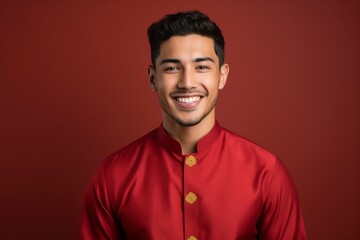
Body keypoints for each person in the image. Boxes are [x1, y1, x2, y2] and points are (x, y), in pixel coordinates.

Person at [80, 10, 307, 240]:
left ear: (222, 76)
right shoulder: (113, 176)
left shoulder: (267, 173)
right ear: (152, 78)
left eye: (202, 67)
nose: (187, 83)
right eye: (172, 68)